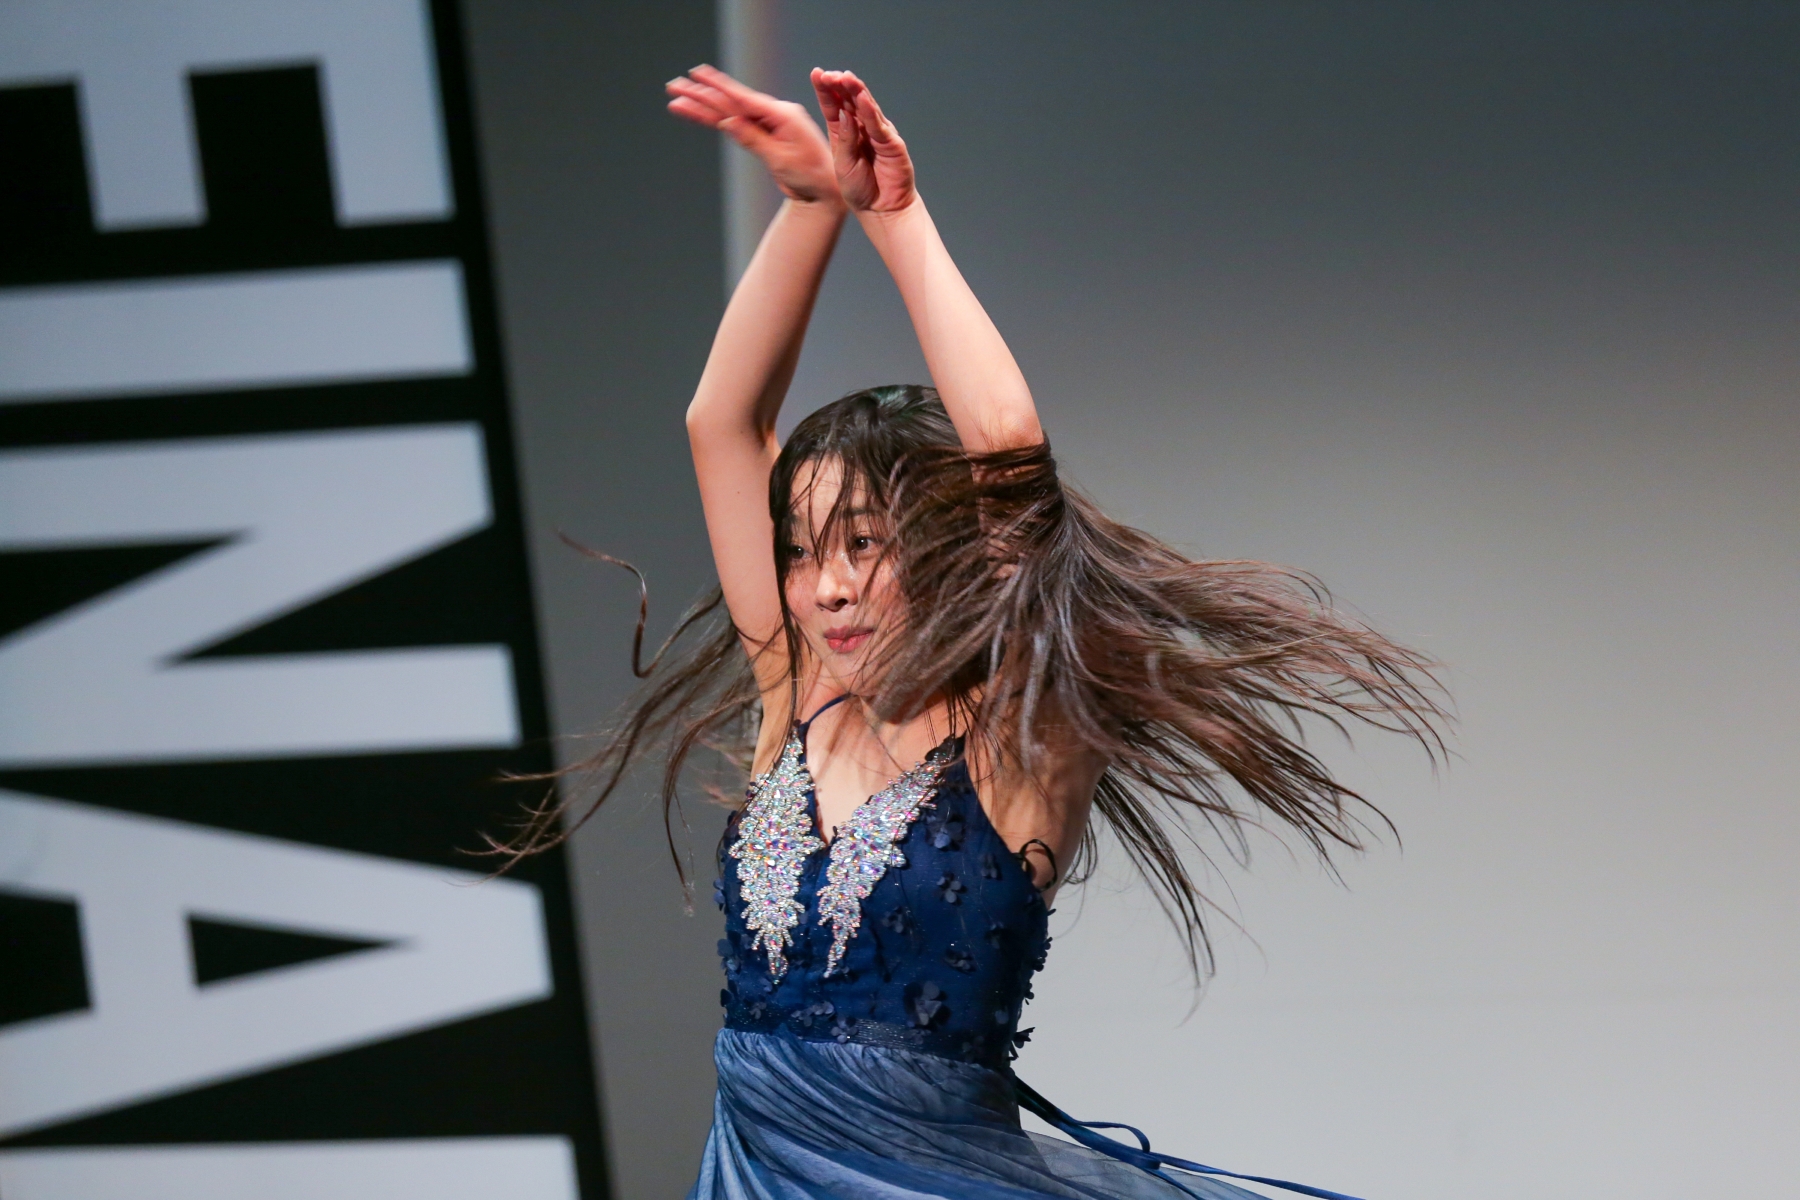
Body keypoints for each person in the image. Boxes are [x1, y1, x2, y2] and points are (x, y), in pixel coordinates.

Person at [508, 64, 1448, 1200]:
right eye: (800, 552)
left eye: (866, 543)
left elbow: (1003, 443)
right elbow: (722, 423)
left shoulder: (1029, 728)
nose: (827, 587)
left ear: (954, 545)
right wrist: (806, 207)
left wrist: (895, 217)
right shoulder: (798, 694)